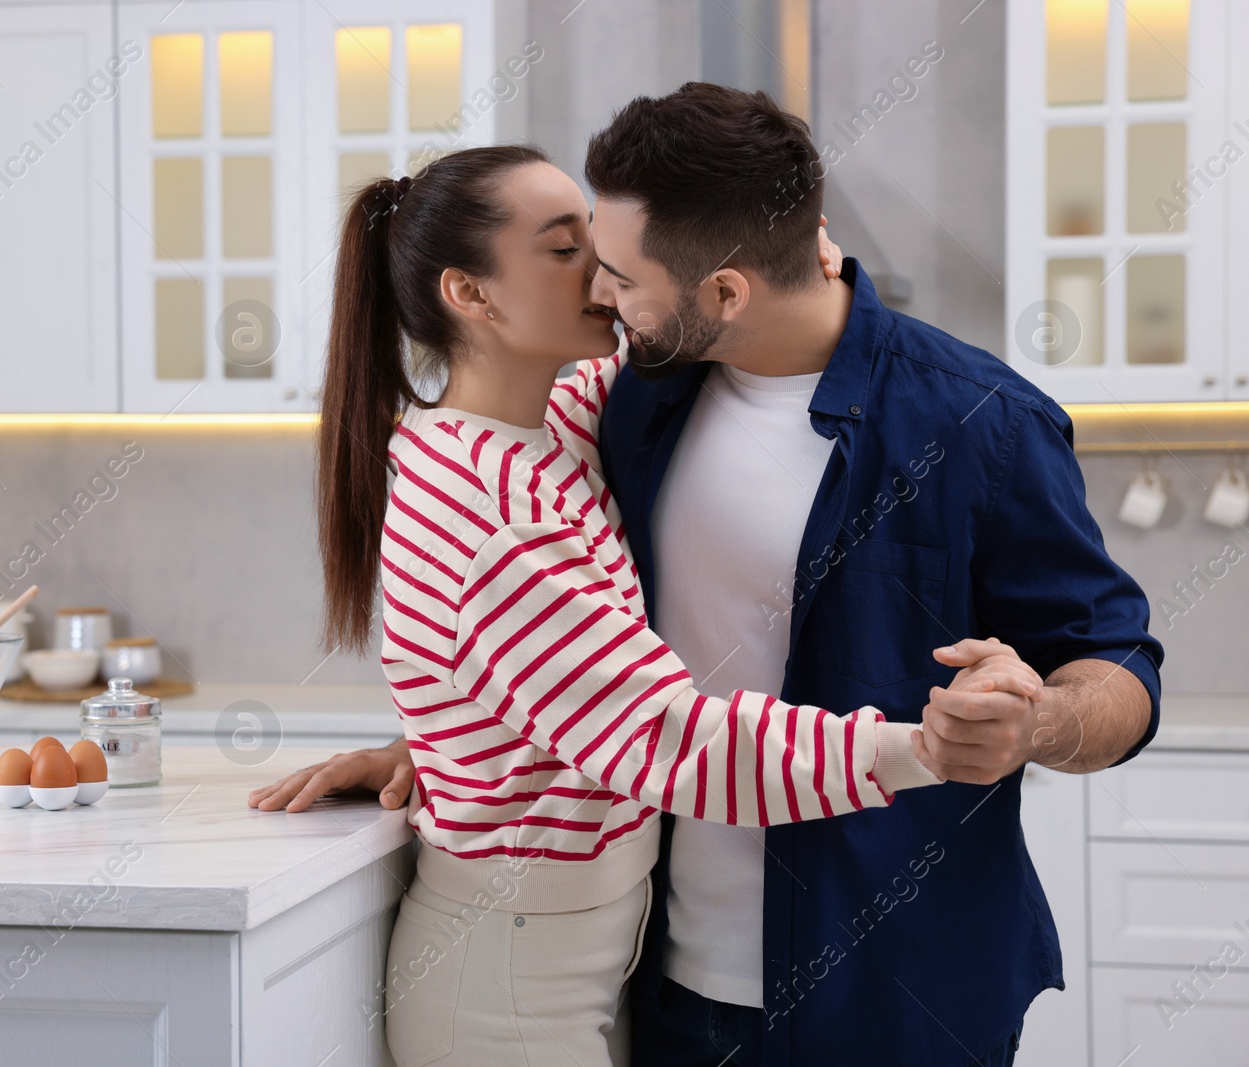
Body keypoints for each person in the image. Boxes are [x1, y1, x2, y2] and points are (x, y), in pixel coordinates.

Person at [255, 85, 1163, 1067]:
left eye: (615, 270)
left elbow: (1114, 665)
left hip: (899, 991)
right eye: (581, 255)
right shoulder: (631, 396)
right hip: (667, 986)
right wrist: (454, 729)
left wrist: (1034, 723)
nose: (602, 293)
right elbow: (575, 658)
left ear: (725, 290)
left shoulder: (979, 422)